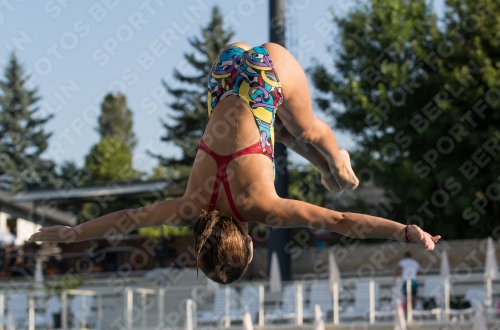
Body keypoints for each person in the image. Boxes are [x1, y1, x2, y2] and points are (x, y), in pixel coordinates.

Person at [28, 42, 441, 284]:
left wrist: (406, 232)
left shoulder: (265, 208)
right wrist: (74, 231)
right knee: (284, 133)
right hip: (225, 73)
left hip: (268, 75)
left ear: (246, 241)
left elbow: (340, 221)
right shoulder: (190, 206)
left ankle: (335, 162)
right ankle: (310, 154)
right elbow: (131, 218)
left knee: (312, 135)